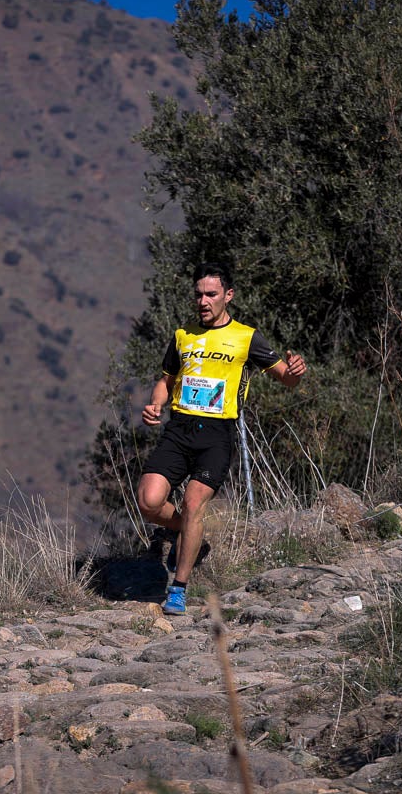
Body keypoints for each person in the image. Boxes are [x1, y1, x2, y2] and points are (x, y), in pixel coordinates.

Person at [136, 263, 306, 614]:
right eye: (198, 294)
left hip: (217, 436)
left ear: (227, 296)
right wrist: (154, 404)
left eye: (211, 294)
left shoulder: (246, 337)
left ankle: (178, 590)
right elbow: (166, 381)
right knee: (149, 501)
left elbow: (285, 379)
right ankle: (191, 535)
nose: (203, 301)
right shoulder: (183, 335)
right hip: (179, 429)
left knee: (193, 505)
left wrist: (295, 372)